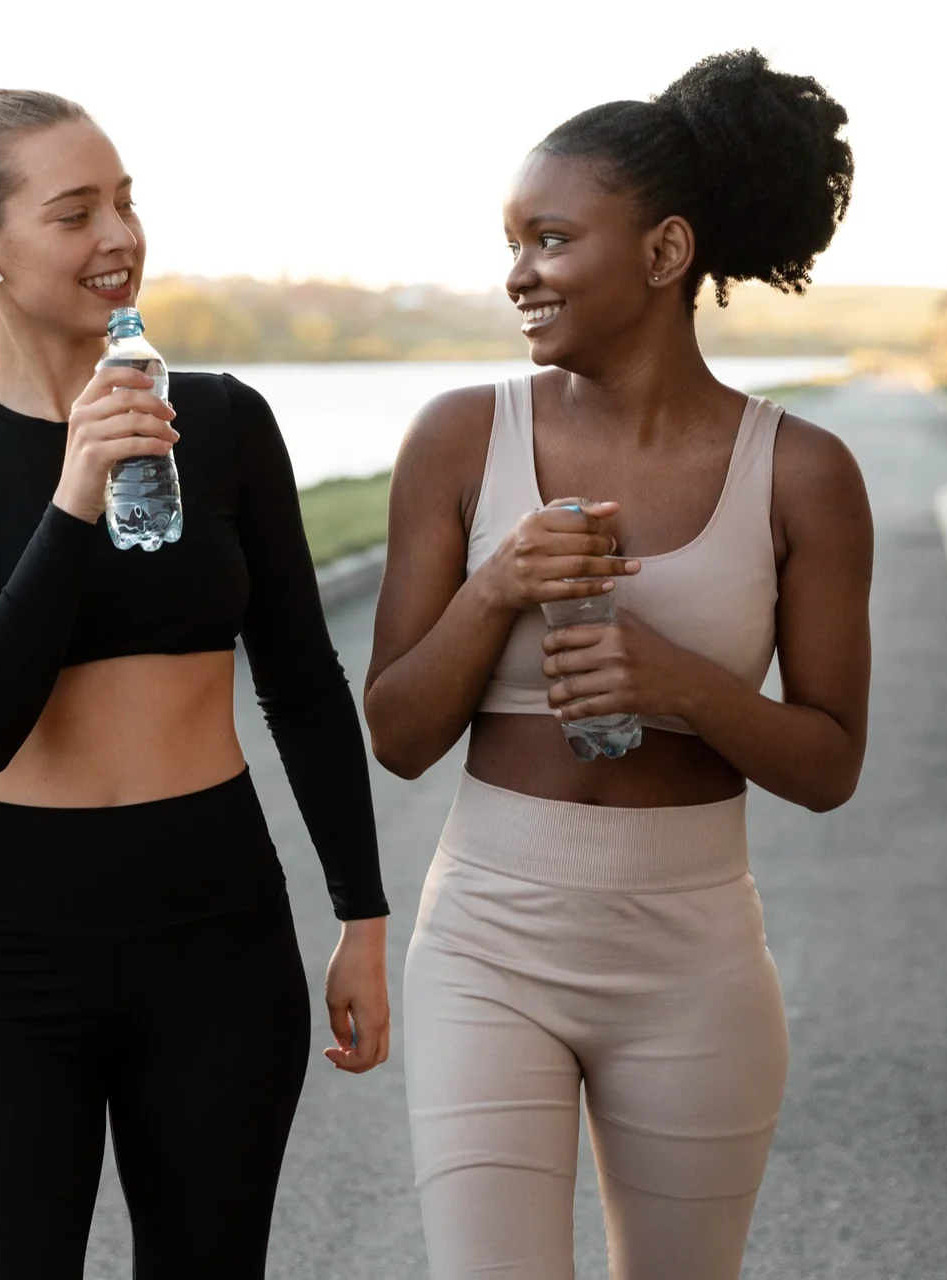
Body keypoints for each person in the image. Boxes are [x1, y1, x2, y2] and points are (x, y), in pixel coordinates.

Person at [0, 89, 390, 1280]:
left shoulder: (225, 419)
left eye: (127, 200)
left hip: (219, 942)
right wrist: (74, 491)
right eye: (75, 211)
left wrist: (361, 913)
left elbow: (301, 677)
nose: (119, 236)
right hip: (9, 954)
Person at [364, 50, 872, 1280]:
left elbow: (830, 763)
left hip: (693, 955)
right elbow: (394, 727)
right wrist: (500, 586)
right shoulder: (458, 438)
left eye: (549, 239)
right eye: (512, 241)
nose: (516, 274)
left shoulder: (802, 473)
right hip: (487, 939)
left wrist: (680, 685)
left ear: (663, 253)